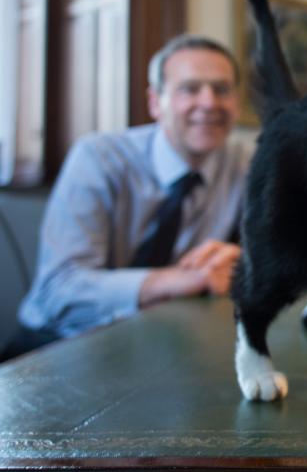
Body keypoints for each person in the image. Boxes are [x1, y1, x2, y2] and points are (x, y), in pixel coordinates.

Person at [5, 34, 249, 359]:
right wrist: (175, 281)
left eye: (221, 90)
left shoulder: (245, 165)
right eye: (190, 89)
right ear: (154, 102)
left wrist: (243, 262)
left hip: (160, 347)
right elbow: (58, 291)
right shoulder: (99, 158)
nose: (209, 103)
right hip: (56, 345)